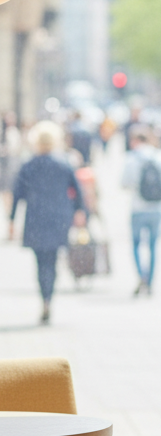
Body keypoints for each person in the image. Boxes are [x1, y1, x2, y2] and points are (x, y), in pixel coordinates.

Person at [8, 121, 86, 323]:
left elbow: (17, 194)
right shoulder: (63, 164)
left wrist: (11, 220)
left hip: (35, 218)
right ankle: (49, 297)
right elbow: (78, 191)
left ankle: (44, 298)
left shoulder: (28, 166)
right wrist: (80, 212)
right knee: (52, 261)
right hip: (59, 219)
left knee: (40, 262)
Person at [122, 127, 161, 295]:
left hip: (138, 208)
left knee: (136, 244)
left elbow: (124, 183)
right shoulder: (160, 156)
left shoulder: (132, 158)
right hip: (157, 208)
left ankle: (141, 276)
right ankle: (149, 281)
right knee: (153, 246)